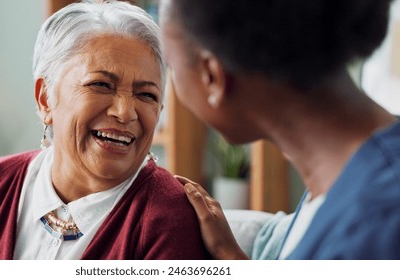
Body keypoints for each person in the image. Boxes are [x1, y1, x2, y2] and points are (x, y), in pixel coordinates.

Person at [0, 1, 209, 260]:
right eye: (101, 85)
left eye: (147, 95)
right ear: (45, 99)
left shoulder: (167, 216)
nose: (125, 112)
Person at [159, 0, 400, 259]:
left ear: (212, 77)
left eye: (171, 65)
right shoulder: (341, 177)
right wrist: (230, 255)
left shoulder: (373, 222)